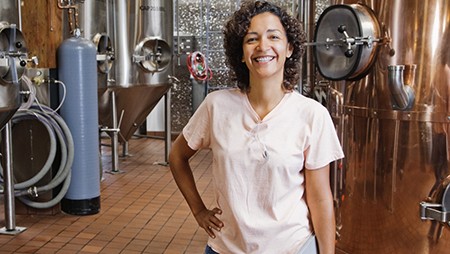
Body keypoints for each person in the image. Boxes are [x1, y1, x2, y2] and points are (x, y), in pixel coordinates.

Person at [169, 1, 344, 253]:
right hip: (226, 248)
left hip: (292, 246)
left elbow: (320, 197)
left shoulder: (312, 115)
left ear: (289, 48)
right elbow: (177, 156)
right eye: (252, 39)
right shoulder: (216, 106)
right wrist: (198, 210)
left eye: (273, 36)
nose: (263, 46)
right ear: (241, 53)